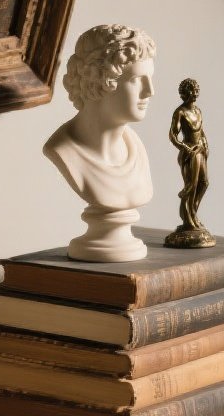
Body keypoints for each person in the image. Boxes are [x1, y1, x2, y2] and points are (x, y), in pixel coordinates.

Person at [43, 24, 156, 261]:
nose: (150, 91)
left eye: (151, 78)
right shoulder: (63, 150)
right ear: (100, 80)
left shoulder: (136, 149)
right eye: (137, 79)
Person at [165, 77, 215, 247]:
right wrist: (184, 147)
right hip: (190, 152)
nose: (194, 94)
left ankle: (192, 212)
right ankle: (188, 220)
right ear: (184, 94)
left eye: (196, 91)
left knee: (204, 183)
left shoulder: (199, 111)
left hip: (201, 150)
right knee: (191, 186)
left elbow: (201, 131)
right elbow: (173, 134)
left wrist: (206, 145)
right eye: (191, 91)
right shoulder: (180, 112)